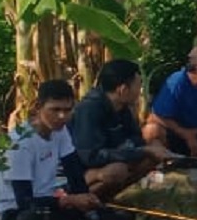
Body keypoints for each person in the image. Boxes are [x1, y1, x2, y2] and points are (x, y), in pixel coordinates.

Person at [0, 80, 121, 220]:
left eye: (67, 110)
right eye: (55, 110)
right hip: (18, 212)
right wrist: (69, 200)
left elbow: (75, 176)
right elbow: (25, 201)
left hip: (51, 202)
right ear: (38, 107)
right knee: (35, 218)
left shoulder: (60, 131)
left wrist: (92, 217)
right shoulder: (20, 144)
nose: (62, 117)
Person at [71, 59, 171, 200]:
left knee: (151, 153)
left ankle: (121, 197)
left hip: (115, 157)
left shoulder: (123, 108)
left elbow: (136, 137)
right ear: (123, 90)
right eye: (138, 86)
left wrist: (148, 148)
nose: (140, 91)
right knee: (117, 171)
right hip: (85, 168)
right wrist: (141, 151)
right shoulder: (89, 110)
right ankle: (84, 203)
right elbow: (90, 156)